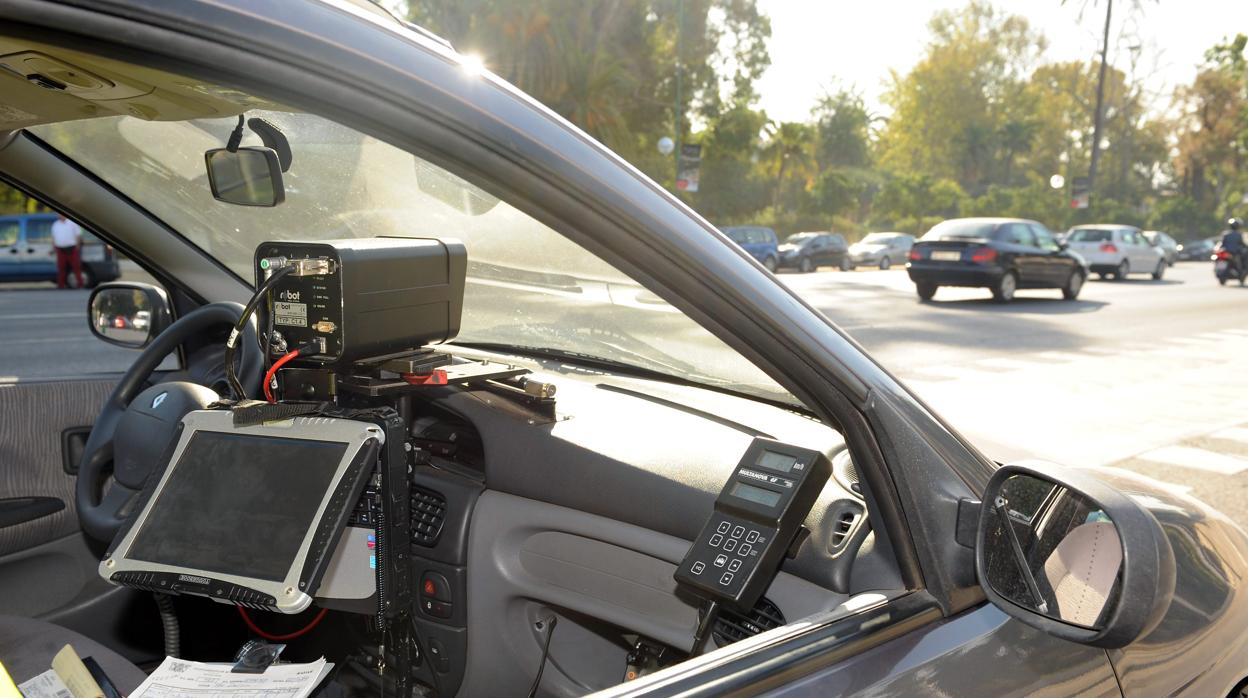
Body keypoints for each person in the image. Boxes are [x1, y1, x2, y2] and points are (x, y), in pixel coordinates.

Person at [50, 213, 83, 289]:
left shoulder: (72, 223)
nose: (60, 216)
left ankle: (80, 283)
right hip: (60, 249)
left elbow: (78, 235)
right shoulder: (55, 225)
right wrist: (54, 247)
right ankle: (61, 285)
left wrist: (77, 246)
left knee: (76, 267)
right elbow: (53, 237)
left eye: (61, 214)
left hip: (72, 248)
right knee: (61, 268)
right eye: (58, 214)